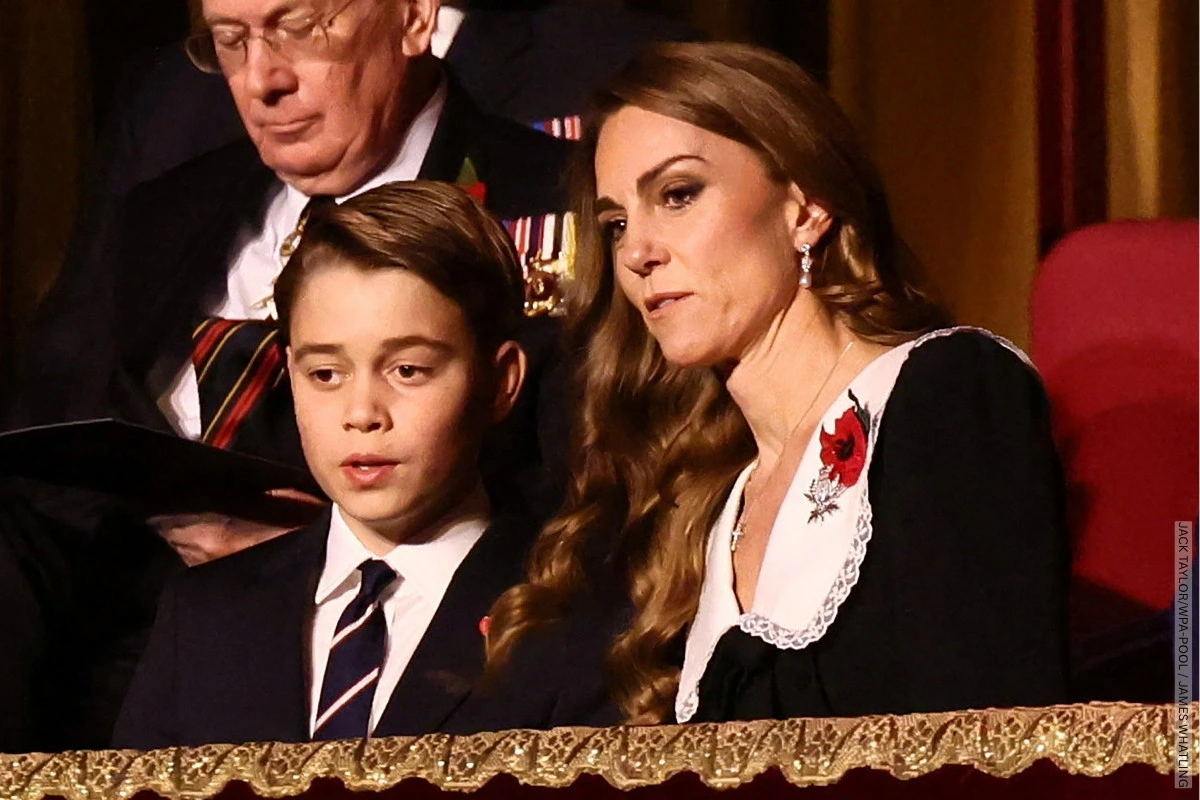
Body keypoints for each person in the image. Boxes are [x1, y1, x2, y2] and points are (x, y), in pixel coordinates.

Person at [0, 0, 574, 751]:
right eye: (231, 42)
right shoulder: (168, 210)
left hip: (425, 638)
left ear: (412, 18)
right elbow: (45, 455)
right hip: (140, 646)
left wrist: (324, 549)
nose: (260, 80)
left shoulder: (564, 198)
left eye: (299, 28)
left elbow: (609, 482)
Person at [485, 42, 1070, 725]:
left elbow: (994, 741)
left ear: (806, 207)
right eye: (616, 223)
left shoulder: (946, 392)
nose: (638, 252)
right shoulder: (721, 501)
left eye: (677, 195)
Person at [112, 182, 618, 749]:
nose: (362, 414)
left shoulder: (578, 616)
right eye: (326, 374)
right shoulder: (205, 615)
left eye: (407, 370)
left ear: (501, 382)